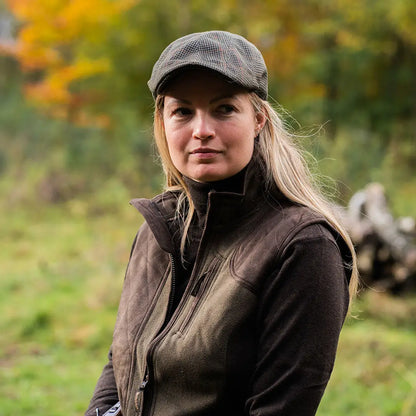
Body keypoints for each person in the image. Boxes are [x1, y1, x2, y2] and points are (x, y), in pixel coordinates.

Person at [86, 30, 358, 416]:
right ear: (162, 122)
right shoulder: (157, 229)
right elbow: (122, 360)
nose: (201, 130)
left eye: (224, 108)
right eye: (182, 111)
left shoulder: (302, 247)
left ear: (258, 119)